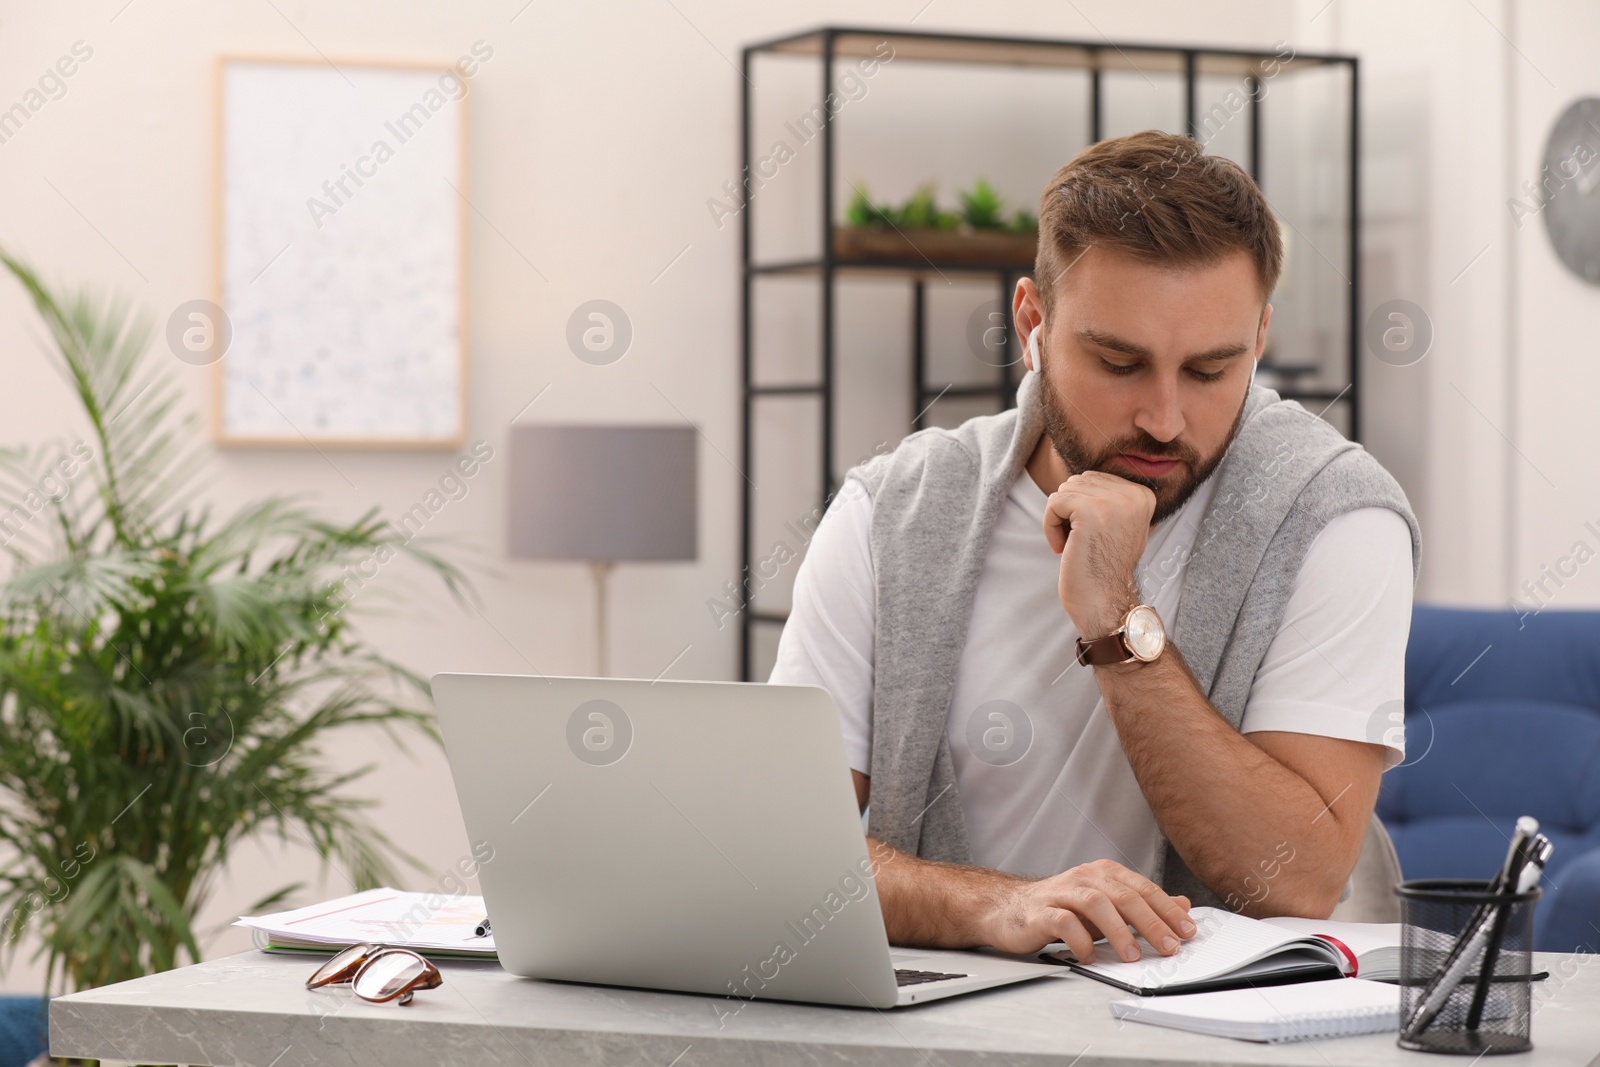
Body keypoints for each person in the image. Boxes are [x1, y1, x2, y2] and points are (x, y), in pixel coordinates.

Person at [769, 130, 1421, 967]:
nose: (1164, 418)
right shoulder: (888, 512)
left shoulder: (1337, 514)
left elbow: (1293, 881)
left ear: (1260, 337)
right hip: (945, 1036)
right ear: (1032, 322)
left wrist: (1115, 618)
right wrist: (996, 905)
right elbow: (787, 859)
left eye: (1211, 370)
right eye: (1119, 362)